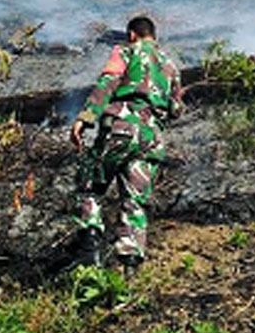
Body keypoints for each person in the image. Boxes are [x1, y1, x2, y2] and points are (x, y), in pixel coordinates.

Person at [69, 15, 183, 271]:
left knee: (89, 185)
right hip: (150, 139)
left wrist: (84, 119)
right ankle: (130, 267)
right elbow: (176, 109)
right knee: (134, 201)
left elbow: (107, 84)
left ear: (132, 34)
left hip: (120, 129)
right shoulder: (170, 65)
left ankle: (89, 253)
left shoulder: (125, 51)